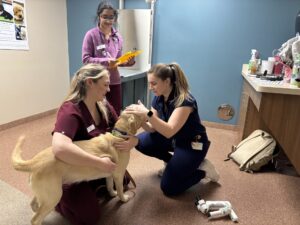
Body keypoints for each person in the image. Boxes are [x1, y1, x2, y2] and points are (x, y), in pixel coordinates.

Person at [52, 63, 136, 225]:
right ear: (90, 82)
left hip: (95, 165)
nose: (109, 89)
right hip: (74, 169)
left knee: (122, 179)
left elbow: (120, 129)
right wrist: (99, 162)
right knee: (89, 217)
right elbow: (59, 148)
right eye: (105, 84)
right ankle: (56, 198)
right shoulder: (70, 110)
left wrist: (134, 140)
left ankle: (93, 187)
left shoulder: (102, 104)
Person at [123, 62, 220, 196]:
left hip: (191, 144)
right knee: (139, 142)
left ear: (167, 81)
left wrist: (147, 114)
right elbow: (153, 128)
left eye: (154, 83)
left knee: (169, 187)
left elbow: (169, 131)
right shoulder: (158, 98)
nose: (151, 88)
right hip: (173, 139)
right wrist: (141, 120)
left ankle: (203, 171)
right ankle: (172, 163)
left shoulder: (185, 100)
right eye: (149, 83)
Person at [82, 0, 135, 116]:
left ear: (115, 18)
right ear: (99, 16)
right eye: (105, 16)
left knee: (114, 113)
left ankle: (113, 134)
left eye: (111, 17)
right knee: (97, 113)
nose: (108, 20)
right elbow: (86, 59)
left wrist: (127, 62)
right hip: (96, 81)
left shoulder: (118, 37)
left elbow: (117, 60)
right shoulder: (91, 35)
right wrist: (106, 61)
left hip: (114, 81)